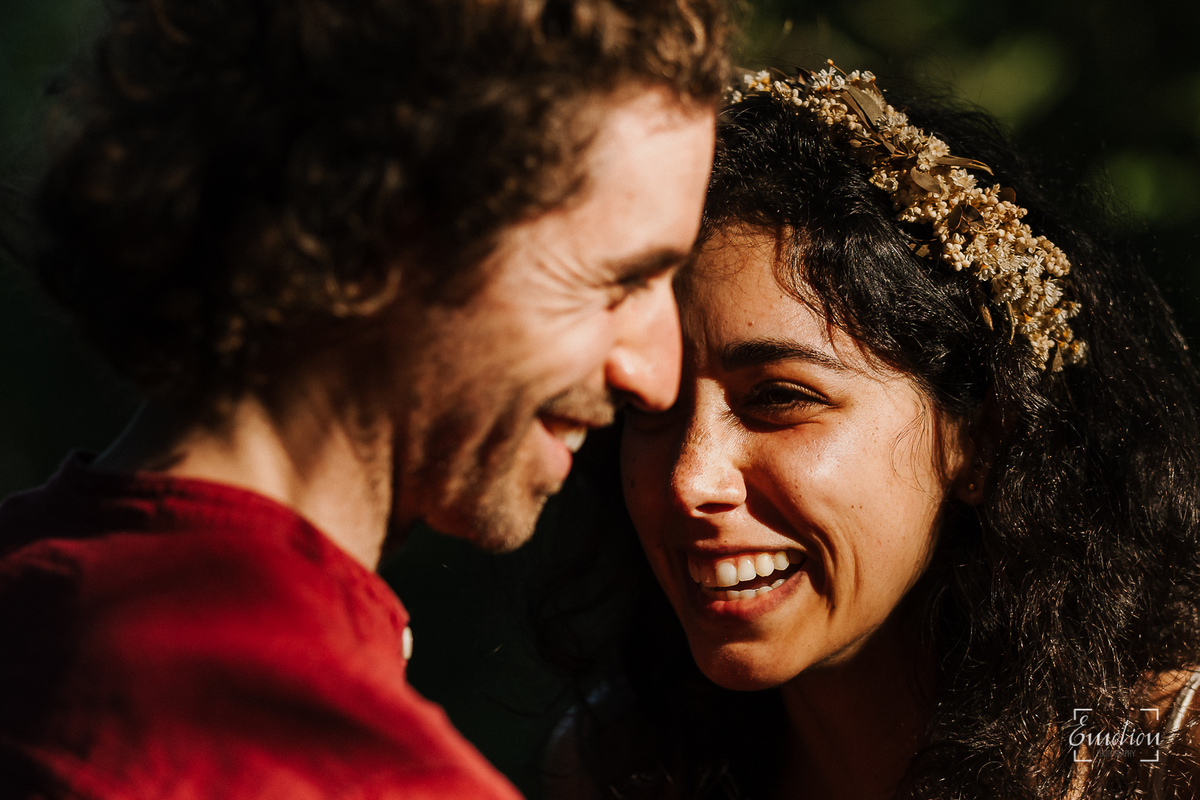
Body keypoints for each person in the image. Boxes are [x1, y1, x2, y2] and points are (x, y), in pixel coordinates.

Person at [0, 0, 730, 797]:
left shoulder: (35, 597)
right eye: (618, 281)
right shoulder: (348, 772)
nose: (658, 377)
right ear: (388, 225)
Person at [541, 65, 1200, 800]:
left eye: (779, 398)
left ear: (980, 436)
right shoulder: (614, 772)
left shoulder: (1163, 757)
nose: (688, 480)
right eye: (649, 406)